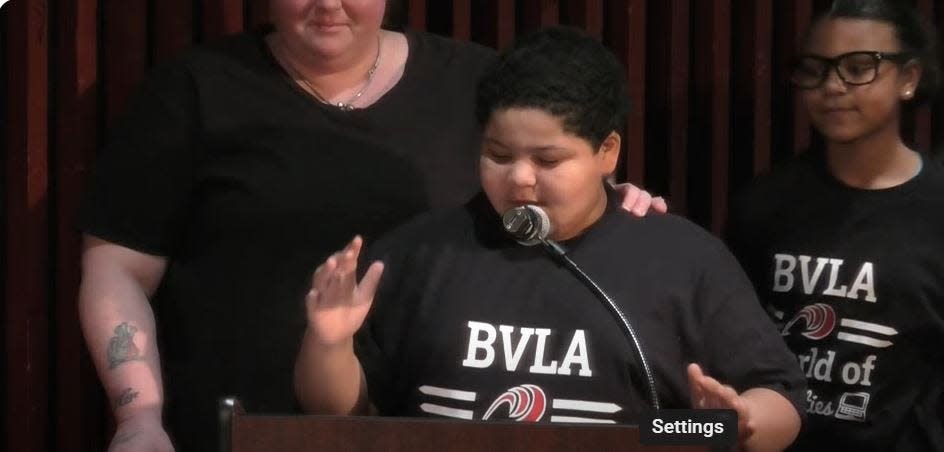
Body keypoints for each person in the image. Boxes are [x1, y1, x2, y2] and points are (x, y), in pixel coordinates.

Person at [77, 1, 663, 450]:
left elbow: (544, 193)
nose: (328, 4)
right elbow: (118, 265)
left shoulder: (473, 81)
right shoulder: (195, 89)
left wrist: (606, 204)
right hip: (241, 429)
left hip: (435, 430)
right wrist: (139, 416)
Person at [296, 26, 806, 452]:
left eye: (548, 161)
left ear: (607, 152)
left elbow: (781, 401)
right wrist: (329, 344)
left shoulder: (682, 259)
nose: (518, 179)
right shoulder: (421, 252)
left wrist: (729, 425)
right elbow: (342, 415)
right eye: (498, 155)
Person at [727, 1, 944, 450]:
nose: (832, 86)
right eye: (816, 68)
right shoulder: (765, 203)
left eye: (860, 67)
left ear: (909, 78)